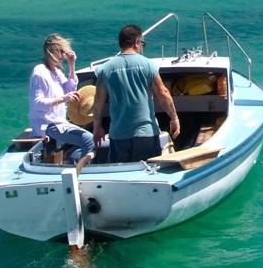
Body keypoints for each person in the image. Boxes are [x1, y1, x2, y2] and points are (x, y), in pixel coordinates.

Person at [92, 23, 180, 163]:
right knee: (148, 172)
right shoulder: (148, 65)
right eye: (142, 44)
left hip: (118, 135)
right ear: (136, 42)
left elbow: (98, 102)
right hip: (146, 133)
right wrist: (174, 118)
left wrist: (97, 127)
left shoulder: (105, 69)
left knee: (121, 175)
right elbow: (163, 93)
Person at [28, 33, 96, 169]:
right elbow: (37, 103)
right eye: (61, 52)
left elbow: (69, 88)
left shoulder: (56, 72)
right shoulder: (40, 72)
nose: (63, 55)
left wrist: (72, 65)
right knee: (89, 140)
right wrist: (63, 99)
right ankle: (81, 170)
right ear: (51, 51)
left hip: (59, 123)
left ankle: (72, 164)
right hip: (48, 125)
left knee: (85, 139)